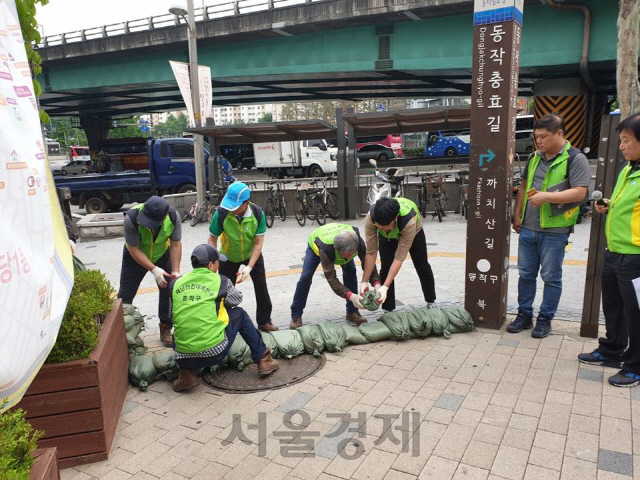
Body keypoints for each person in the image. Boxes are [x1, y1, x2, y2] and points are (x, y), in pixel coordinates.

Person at [509, 113, 590, 338]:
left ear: (559, 134)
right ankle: (524, 314)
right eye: (537, 137)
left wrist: (546, 197)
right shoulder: (534, 157)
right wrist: (517, 215)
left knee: (551, 276)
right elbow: (524, 186)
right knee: (525, 274)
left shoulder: (575, 158)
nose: (539, 142)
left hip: (555, 230)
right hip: (528, 227)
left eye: (544, 137)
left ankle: (545, 318)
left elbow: (580, 192)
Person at [578, 113, 640, 387]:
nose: (622, 146)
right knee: (614, 306)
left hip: (636, 257)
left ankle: (636, 365)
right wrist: (607, 205)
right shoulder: (629, 170)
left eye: (627, 141)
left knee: (635, 312)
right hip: (614, 252)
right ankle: (613, 349)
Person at [171, 244, 279, 392]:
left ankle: (186, 374)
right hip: (215, 352)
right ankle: (263, 358)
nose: (218, 265)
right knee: (239, 313)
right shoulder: (220, 281)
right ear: (210, 265)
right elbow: (236, 300)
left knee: (180, 326)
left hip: (183, 355)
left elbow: (172, 315)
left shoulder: (176, 283)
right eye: (217, 262)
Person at [208, 182, 277, 332]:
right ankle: (223, 322)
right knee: (224, 291)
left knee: (261, 286)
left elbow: (258, 244)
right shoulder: (221, 213)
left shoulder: (258, 214)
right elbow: (212, 239)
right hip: (228, 256)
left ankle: (264, 320)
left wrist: (250, 267)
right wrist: (214, 261)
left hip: (251, 254)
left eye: (235, 206)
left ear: (246, 203)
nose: (231, 209)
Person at [118, 196, 182, 346]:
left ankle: (166, 327)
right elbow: (133, 249)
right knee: (125, 294)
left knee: (168, 291)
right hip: (135, 257)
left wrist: (176, 271)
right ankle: (121, 331)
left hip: (161, 254)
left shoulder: (173, 216)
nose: (149, 225)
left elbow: (176, 244)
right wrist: (153, 269)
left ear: (164, 216)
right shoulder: (132, 218)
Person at [290, 224, 381, 329]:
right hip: (316, 247)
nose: (350, 257)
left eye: (352, 253)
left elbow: (368, 264)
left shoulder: (357, 242)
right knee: (306, 277)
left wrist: (376, 283)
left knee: (351, 271)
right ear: (336, 248)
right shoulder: (326, 248)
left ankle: (352, 312)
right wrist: (351, 296)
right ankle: (296, 315)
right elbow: (331, 279)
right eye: (346, 255)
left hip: (342, 242)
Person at [360, 197, 436, 311]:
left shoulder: (408, 221)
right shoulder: (371, 218)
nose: (382, 228)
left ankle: (431, 300)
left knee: (422, 265)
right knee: (385, 268)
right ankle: (388, 308)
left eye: (385, 226)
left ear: (395, 218)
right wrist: (364, 281)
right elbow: (371, 253)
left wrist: (385, 286)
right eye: (379, 225)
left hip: (413, 232)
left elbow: (399, 258)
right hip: (387, 239)